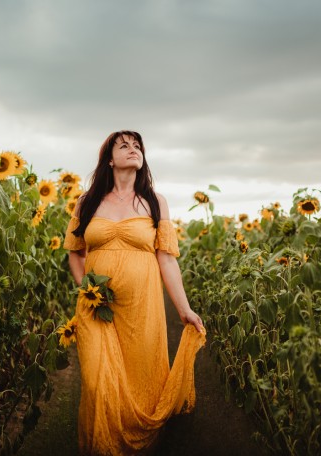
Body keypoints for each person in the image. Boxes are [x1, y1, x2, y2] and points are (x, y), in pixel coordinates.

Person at [63, 130, 206, 455]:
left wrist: (183, 309)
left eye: (137, 145)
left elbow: (167, 259)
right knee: (99, 382)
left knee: (143, 381)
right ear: (109, 159)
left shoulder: (155, 202)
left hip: (143, 308)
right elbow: (76, 253)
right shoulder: (87, 202)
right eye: (124, 145)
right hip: (96, 309)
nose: (133, 149)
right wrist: (87, 289)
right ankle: (103, 447)